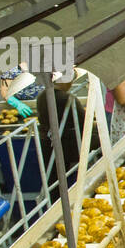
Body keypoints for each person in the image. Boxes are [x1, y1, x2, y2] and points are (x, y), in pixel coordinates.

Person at [37, 68, 89, 196]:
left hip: (47, 143)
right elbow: (84, 122)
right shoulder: (67, 98)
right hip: (66, 144)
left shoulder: (43, 95)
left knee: (54, 182)